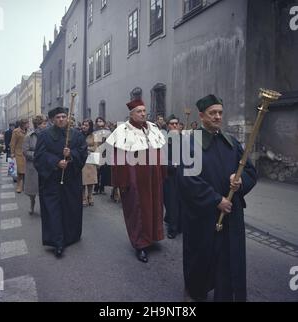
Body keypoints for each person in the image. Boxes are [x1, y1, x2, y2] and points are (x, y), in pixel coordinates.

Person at [178, 94, 257, 302]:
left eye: (220, 113)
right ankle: (195, 291)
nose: (218, 117)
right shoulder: (189, 143)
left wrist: (240, 182)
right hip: (203, 215)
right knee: (201, 257)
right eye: (213, 113)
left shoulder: (230, 141)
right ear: (202, 116)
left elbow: (249, 171)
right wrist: (216, 200)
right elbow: (188, 180)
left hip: (230, 212)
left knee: (228, 260)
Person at [106, 99, 166, 263]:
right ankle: (140, 245)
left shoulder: (152, 128)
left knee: (154, 207)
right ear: (131, 114)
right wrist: (121, 183)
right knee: (138, 211)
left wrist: (162, 173)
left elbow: (159, 152)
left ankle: (152, 237)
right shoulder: (122, 131)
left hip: (153, 178)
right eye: (139, 111)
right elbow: (117, 160)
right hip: (134, 180)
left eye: (144, 111)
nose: (143, 114)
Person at [34, 107, 87, 258]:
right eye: (58, 117)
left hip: (71, 179)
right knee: (53, 211)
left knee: (70, 208)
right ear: (52, 120)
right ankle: (57, 242)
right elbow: (39, 156)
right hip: (51, 180)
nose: (61, 119)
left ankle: (70, 236)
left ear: (67, 118)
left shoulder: (76, 135)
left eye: (64, 116)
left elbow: (83, 153)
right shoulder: (44, 136)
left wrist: (71, 155)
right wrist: (56, 162)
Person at [22, 115, 48, 215]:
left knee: (43, 189)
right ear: (38, 124)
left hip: (45, 165)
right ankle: (32, 204)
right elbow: (25, 151)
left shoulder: (47, 135)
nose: (45, 125)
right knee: (33, 190)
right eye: (43, 124)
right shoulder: (29, 136)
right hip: (33, 165)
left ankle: (43, 208)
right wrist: (38, 155)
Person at [163, 114, 182, 239]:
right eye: (172, 124)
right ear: (167, 126)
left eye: (176, 124)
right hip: (169, 176)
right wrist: (171, 165)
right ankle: (172, 228)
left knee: (181, 202)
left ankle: (179, 225)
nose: (174, 125)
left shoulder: (185, 139)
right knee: (171, 202)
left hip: (183, 176)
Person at [81, 119, 97, 207]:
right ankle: (83, 197)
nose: (84, 126)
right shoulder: (79, 135)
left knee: (91, 179)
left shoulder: (93, 135)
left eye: (86, 125)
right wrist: (86, 148)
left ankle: (90, 196)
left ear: (90, 126)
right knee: (83, 180)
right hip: (82, 159)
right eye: (83, 124)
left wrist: (86, 148)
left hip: (91, 159)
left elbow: (95, 147)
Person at [10, 119, 29, 193]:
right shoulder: (16, 131)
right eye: (27, 123)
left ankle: (25, 186)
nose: (28, 125)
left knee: (26, 171)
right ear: (23, 124)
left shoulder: (28, 131)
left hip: (26, 153)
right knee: (20, 172)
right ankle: (19, 186)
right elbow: (12, 143)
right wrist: (12, 153)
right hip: (18, 153)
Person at [93, 117, 111, 195]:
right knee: (97, 171)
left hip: (105, 153)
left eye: (101, 121)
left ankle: (102, 188)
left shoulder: (108, 132)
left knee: (104, 172)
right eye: (98, 121)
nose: (99, 122)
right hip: (97, 152)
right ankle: (96, 188)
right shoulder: (94, 132)